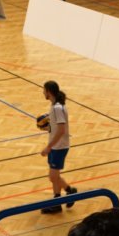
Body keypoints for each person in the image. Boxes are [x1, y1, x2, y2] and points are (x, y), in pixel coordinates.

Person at [39, 81, 77, 214]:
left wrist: (48, 147)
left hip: (59, 147)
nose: (43, 93)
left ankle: (69, 192)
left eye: (44, 90)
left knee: (53, 176)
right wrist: (48, 128)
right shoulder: (55, 106)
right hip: (56, 146)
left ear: (49, 92)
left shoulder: (58, 108)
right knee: (54, 176)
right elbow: (58, 127)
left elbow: (61, 130)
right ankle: (59, 201)